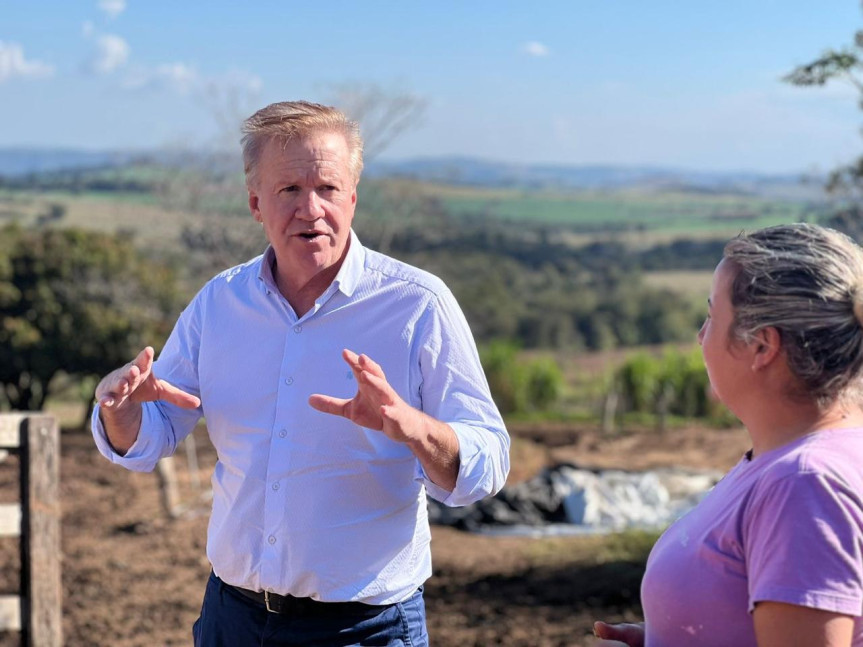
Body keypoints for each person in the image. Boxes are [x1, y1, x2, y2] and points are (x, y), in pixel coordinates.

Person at [92, 100, 510, 647]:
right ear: (255, 203)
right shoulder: (218, 304)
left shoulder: (418, 306)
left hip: (366, 630)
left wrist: (412, 427)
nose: (310, 209)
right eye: (289, 189)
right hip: (231, 618)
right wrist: (120, 412)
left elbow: (491, 459)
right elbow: (154, 435)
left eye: (328, 189)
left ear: (353, 198)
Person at [594, 223, 863, 647]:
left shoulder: (805, 483)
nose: (701, 336)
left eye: (712, 315)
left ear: (761, 345)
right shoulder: (799, 461)